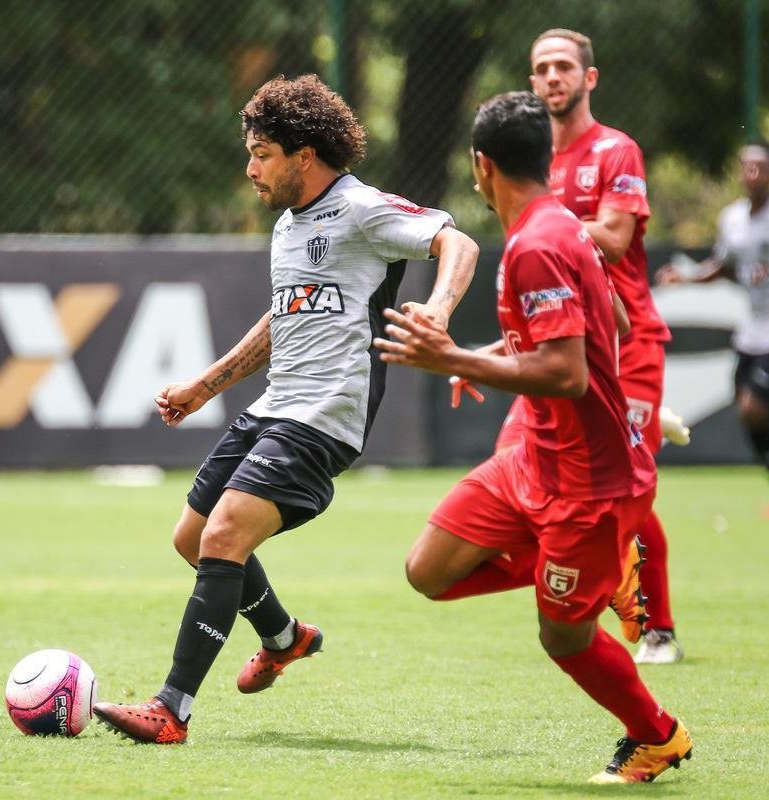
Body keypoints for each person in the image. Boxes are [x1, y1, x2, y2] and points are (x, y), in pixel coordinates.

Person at [91, 74, 480, 744]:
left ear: (304, 155)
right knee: (192, 539)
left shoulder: (361, 209)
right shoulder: (288, 226)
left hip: (327, 414)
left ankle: (171, 709)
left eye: (262, 154)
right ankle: (284, 636)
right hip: (274, 406)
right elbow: (284, 318)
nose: (250, 169)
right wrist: (205, 386)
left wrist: (439, 311)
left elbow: (458, 242)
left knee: (224, 538)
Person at [375, 91, 691, 784]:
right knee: (428, 570)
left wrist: (455, 360)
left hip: (589, 486)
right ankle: (605, 571)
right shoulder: (562, 227)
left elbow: (568, 373)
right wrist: (493, 351)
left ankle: (656, 735)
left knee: (562, 635)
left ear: (481, 166)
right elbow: (612, 319)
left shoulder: (538, 244)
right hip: (532, 463)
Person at [527, 28, 682, 664]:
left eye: (564, 66)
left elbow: (615, 241)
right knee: (536, 473)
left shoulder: (616, 151)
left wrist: (541, 218)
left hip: (630, 341)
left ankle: (658, 630)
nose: (553, 76)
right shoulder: (531, 160)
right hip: (570, 346)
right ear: (532, 82)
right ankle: (578, 601)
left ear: (589, 78)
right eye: (542, 68)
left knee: (626, 488)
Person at [658, 141, 769, 513]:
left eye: (760, 167)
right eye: (746, 166)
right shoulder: (732, 218)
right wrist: (688, 276)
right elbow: (723, 267)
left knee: (753, 409)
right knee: (748, 413)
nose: (752, 173)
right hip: (752, 328)